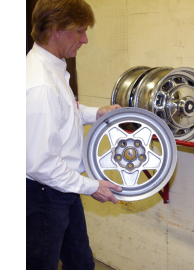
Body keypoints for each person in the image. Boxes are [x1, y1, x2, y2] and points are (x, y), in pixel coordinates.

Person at [26, 0, 122, 269]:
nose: (85, 39)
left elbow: (62, 115)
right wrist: (92, 186)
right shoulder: (39, 84)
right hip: (44, 193)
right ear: (57, 29)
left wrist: (96, 114)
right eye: (80, 31)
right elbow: (39, 164)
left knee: (80, 263)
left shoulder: (54, 67)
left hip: (62, 187)